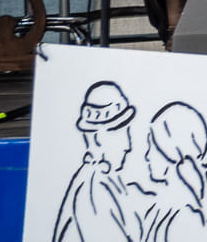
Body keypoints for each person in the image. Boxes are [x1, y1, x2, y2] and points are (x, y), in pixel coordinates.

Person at [53, 82, 150, 242]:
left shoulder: (106, 180)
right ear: (98, 139)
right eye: (120, 134)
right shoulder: (93, 190)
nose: (128, 146)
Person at [139, 103, 207, 242]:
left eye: (151, 146)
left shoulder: (187, 217)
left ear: (169, 151)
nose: (147, 156)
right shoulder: (158, 211)